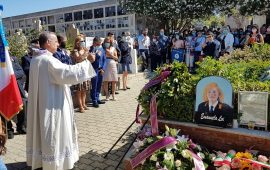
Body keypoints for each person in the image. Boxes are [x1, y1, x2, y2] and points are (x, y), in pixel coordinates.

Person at [26, 32, 96, 170]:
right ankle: (55, 163)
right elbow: (68, 73)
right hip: (53, 104)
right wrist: (86, 61)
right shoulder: (48, 60)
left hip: (43, 102)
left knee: (44, 131)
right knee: (54, 132)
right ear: (47, 43)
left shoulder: (36, 59)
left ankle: (43, 161)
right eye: (55, 42)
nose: (58, 44)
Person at [70, 35, 94, 113]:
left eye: (83, 41)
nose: (83, 42)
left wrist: (90, 54)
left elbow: (91, 59)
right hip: (79, 72)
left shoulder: (85, 50)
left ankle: (84, 104)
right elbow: (78, 59)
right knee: (79, 90)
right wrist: (85, 53)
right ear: (77, 43)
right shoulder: (75, 51)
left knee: (84, 89)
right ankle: (80, 106)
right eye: (81, 41)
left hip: (86, 71)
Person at [7, 55, 27, 139]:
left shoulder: (13, 58)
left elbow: (21, 72)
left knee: (23, 104)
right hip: (5, 89)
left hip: (17, 88)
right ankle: (9, 130)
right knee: (6, 108)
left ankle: (21, 127)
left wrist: (11, 75)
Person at [89, 36, 106, 108]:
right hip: (94, 69)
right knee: (94, 85)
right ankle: (94, 100)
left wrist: (103, 69)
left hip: (100, 69)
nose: (99, 45)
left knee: (99, 84)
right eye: (98, 44)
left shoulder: (101, 49)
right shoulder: (91, 49)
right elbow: (91, 59)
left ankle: (98, 98)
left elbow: (104, 59)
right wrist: (96, 53)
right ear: (94, 42)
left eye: (100, 43)